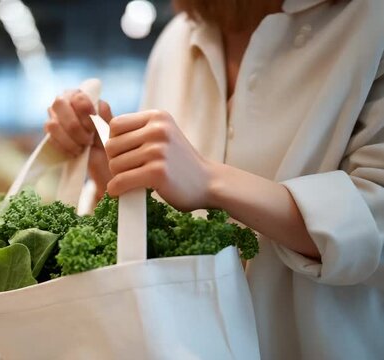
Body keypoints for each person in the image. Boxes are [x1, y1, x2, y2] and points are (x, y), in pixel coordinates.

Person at [44, 0, 384, 358]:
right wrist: (108, 171)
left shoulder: (370, 22)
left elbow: (374, 222)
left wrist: (210, 180)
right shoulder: (177, 40)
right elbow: (160, 239)